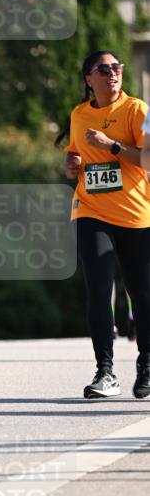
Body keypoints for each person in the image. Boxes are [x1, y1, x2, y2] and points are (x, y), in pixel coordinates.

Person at [57, 49, 149, 399]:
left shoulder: (136, 109)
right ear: (88, 78)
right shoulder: (79, 113)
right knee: (98, 289)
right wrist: (71, 161)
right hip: (91, 209)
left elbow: (145, 158)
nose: (112, 73)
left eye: (116, 67)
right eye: (103, 69)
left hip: (135, 213)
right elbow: (76, 149)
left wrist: (112, 146)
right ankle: (105, 371)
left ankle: (147, 364)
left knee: (142, 293)